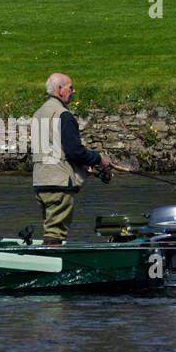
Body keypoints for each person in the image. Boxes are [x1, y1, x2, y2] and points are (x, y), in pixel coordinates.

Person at [30, 73, 111, 245]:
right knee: (55, 235)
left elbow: (54, 148)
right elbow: (74, 152)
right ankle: (50, 267)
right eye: (70, 87)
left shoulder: (38, 114)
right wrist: (98, 159)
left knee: (50, 230)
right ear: (60, 89)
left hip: (40, 183)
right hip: (59, 185)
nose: (73, 91)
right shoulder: (63, 115)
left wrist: (81, 167)